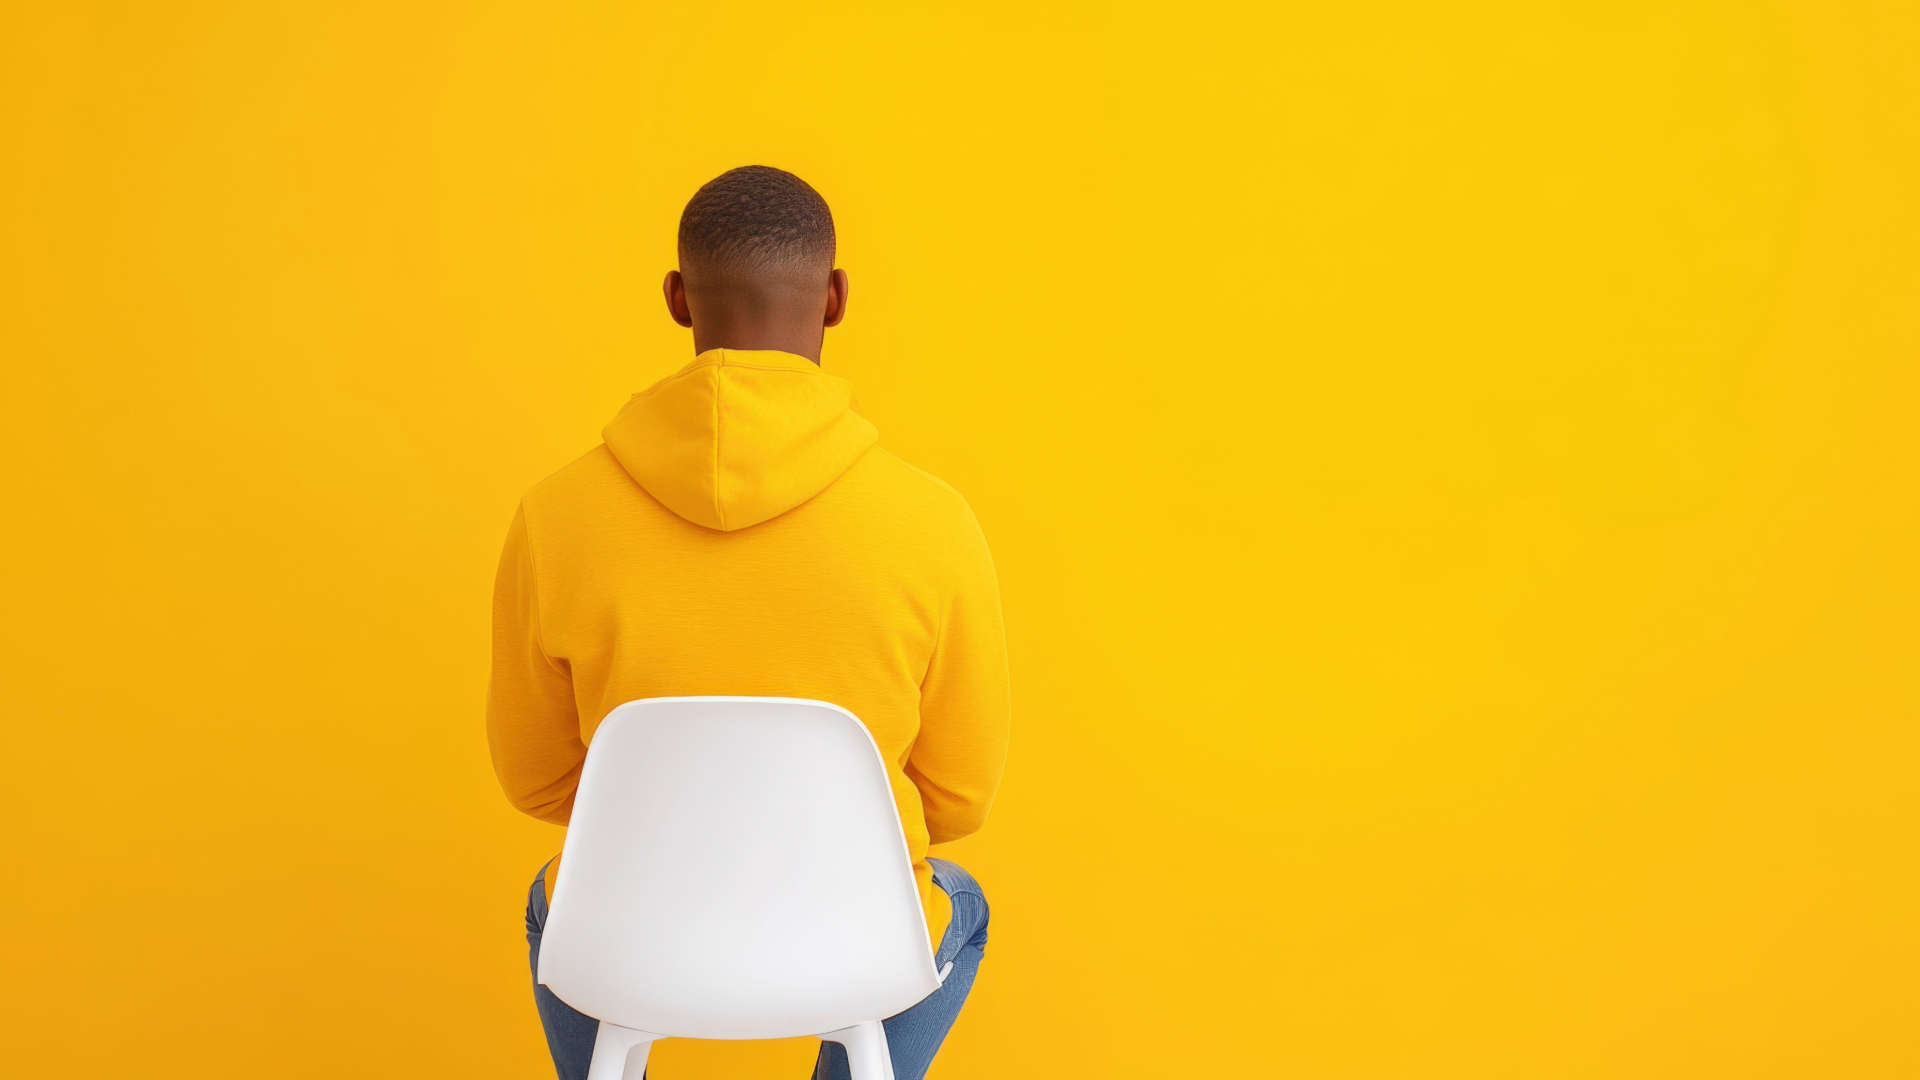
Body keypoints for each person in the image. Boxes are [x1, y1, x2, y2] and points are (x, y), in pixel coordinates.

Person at [486, 165, 1012, 1080]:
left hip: (628, 935)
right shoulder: (933, 521)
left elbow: (536, 781)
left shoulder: (554, 515)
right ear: (836, 298)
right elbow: (960, 799)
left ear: (676, 298)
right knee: (957, 904)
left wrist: (687, 824)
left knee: (558, 903)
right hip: (854, 936)